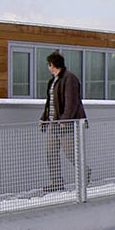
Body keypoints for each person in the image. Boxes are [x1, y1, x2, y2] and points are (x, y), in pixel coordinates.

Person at [40, 51, 89, 192]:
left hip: (64, 125)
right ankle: (56, 183)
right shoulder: (53, 80)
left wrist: (65, 120)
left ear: (52, 65)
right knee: (51, 153)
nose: (48, 68)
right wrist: (43, 118)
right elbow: (50, 103)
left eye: (48, 65)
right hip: (52, 123)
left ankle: (85, 173)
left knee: (70, 153)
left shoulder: (69, 78)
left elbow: (71, 101)